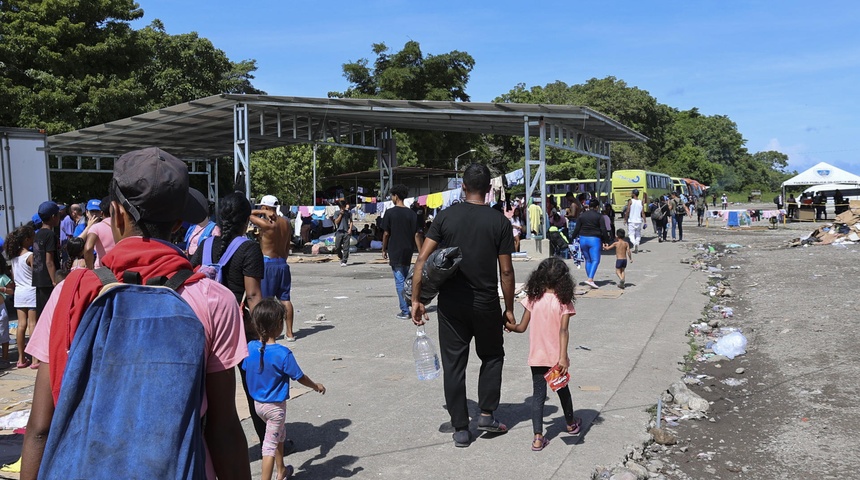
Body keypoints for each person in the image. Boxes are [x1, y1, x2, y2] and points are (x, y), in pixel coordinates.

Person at [21, 147, 250, 479]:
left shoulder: (69, 294)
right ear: (177, 222)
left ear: (115, 215)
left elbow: (41, 428)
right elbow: (223, 428)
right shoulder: (214, 298)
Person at [411, 163, 515, 448]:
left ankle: (460, 428)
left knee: (454, 364)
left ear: (463, 187)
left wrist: (416, 300)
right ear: (489, 190)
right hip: (485, 303)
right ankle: (486, 415)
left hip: (451, 305)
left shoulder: (445, 217)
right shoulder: (500, 222)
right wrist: (508, 309)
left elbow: (421, 259)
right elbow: (506, 271)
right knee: (492, 356)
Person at [243, 299, 326, 480]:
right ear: (279, 325)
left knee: (279, 434)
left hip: (258, 405)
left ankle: (281, 471)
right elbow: (300, 377)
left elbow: (245, 368)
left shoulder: (250, 347)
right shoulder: (282, 353)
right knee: (269, 447)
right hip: (275, 409)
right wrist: (315, 386)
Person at [504, 257, 580, 451]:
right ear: (564, 280)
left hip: (537, 357)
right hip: (556, 359)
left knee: (538, 395)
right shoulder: (564, 302)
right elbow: (563, 331)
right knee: (563, 391)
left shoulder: (532, 299)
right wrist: (563, 357)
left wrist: (507, 325)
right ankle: (571, 424)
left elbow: (521, 327)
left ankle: (538, 438)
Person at [250, 195, 296, 342]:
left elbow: (245, 214)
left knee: (265, 301)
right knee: (285, 299)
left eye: (262, 208)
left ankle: (265, 333)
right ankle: (290, 333)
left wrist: (260, 213)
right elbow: (288, 244)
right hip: (282, 263)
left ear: (266, 208)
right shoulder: (286, 223)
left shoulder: (267, 224)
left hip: (268, 263)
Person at [381, 184, 420, 320]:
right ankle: (410, 305)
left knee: (400, 281)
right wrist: (421, 252)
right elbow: (416, 234)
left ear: (395, 196)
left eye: (392, 195)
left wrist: (383, 249)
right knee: (406, 279)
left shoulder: (390, 213)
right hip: (407, 250)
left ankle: (405, 310)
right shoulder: (411, 214)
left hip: (395, 250)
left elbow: (386, 233)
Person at [33, 201, 60, 357]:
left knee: (42, 315)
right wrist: (55, 280)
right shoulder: (50, 234)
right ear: (53, 217)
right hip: (48, 281)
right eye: (57, 215)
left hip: (38, 279)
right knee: (50, 316)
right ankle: (48, 349)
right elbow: (49, 260)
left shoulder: (38, 234)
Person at [7, 226, 36, 368]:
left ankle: (21, 358)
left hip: (19, 293)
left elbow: (14, 276)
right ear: (26, 239)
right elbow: (36, 273)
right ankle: (35, 359)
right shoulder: (30, 256)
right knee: (32, 325)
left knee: (21, 325)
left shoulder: (14, 257)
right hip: (31, 292)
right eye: (32, 236)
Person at [570, 199, 609, 289]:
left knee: (588, 260)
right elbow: (603, 229)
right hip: (594, 240)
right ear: (597, 207)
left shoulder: (582, 216)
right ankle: (590, 279)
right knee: (596, 260)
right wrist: (606, 241)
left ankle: (590, 279)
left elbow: (577, 228)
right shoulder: (599, 216)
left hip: (583, 239)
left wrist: (572, 239)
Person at [83, 197, 116, 269]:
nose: (94, 214)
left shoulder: (96, 228)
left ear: (101, 213)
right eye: (92, 211)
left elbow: (88, 248)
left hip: (102, 270)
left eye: (96, 211)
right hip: (119, 268)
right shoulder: (122, 226)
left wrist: (90, 269)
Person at [623, 189, 646, 254]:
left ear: (633, 194)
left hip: (631, 221)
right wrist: (645, 221)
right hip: (639, 221)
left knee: (631, 234)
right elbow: (643, 213)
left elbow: (627, 211)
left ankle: (634, 243)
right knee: (638, 234)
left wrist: (625, 219)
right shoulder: (641, 202)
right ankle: (637, 244)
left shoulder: (630, 201)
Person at [332, 200, 353, 267]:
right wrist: (340, 215)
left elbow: (351, 221)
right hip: (339, 231)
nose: (342, 208)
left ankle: (344, 260)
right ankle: (340, 256)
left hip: (346, 231)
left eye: (343, 207)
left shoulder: (348, 213)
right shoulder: (337, 213)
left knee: (346, 247)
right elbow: (336, 222)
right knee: (337, 246)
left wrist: (350, 229)